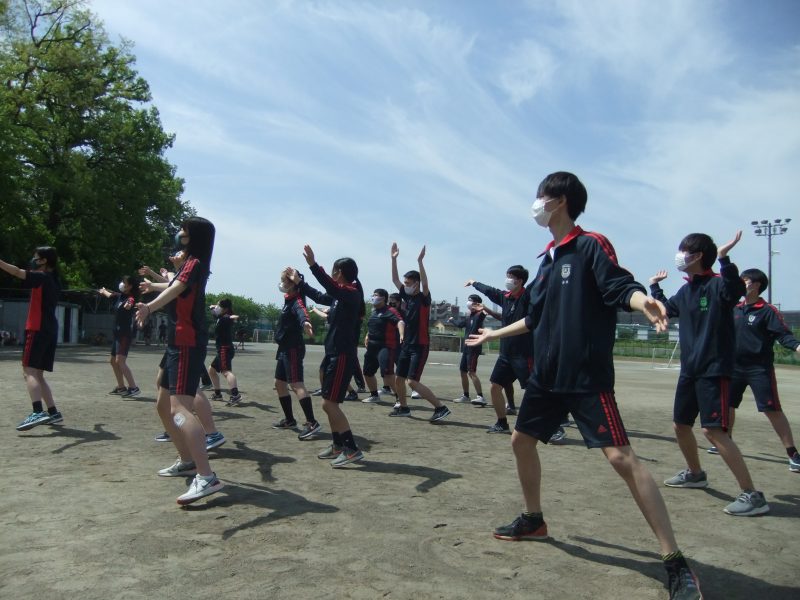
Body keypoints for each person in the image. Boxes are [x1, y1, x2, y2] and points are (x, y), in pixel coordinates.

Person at [467, 172, 701, 600]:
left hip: (585, 377)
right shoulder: (547, 260)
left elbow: (619, 285)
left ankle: (675, 562)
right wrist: (491, 335)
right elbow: (533, 318)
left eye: (540, 196)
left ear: (558, 200)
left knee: (621, 457)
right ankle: (534, 519)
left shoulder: (590, 243)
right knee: (521, 440)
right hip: (546, 377)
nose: (535, 203)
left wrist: (642, 301)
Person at [651, 233, 770, 517]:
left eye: (685, 251)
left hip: (714, 369)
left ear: (699, 255)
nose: (680, 255)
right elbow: (668, 310)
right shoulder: (687, 290)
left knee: (713, 431)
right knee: (680, 425)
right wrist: (655, 289)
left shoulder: (719, 285)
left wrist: (725, 257)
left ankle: (753, 495)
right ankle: (695, 473)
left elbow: (734, 289)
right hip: (690, 370)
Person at [135, 218, 223, 505]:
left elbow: (175, 289)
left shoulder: (195, 263)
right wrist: (153, 285)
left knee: (179, 409)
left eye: (184, 230)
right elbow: (172, 285)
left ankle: (206, 476)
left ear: (194, 236)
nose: (180, 233)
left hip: (186, 340)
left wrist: (149, 306)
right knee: (163, 402)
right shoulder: (189, 264)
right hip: (176, 341)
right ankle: (187, 460)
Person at [679, 267, 800, 471]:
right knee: (728, 406)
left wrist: (797, 346)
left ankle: (793, 453)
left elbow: (784, 335)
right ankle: (726, 441)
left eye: (746, 280)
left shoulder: (767, 310)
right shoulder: (734, 308)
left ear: (757, 285)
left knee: (772, 409)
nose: (742, 282)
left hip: (758, 368)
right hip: (731, 367)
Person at [289, 246, 365, 467]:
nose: (332, 275)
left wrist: (313, 265)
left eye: (333, 271)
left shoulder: (351, 293)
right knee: (327, 403)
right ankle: (338, 445)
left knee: (329, 404)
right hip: (333, 354)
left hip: (342, 355)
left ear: (340, 273)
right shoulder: (339, 296)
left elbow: (328, 286)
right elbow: (321, 294)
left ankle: (351, 448)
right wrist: (300, 283)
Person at [1, 247, 64, 432]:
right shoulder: (54, 280)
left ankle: (38, 411)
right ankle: (52, 412)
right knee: (38, 374)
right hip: (50, 329)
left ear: (44, 261)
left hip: (37, 328)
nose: (33, 259)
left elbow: (16, 271)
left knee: (28, 371)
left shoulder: (41, 277)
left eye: (36, 257)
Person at [389, 243, 451, 422]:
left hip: (420, 345)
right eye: (405, 283)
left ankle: (441, 408)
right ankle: (404, 407)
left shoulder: (423, 298)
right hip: (407, 344)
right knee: (399, 379)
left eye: (408, 283)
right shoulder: (406, 296)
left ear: (416, 284)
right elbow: (394, 279)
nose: (405, 285)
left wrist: (420, 262)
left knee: (411, 381)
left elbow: (425, 282)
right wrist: (393, 259)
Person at [273, 268, 320, 440]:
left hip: (293, 348)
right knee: (279, 383)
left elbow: (302, 312)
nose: (282, 284)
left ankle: (312, 422)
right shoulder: (288, 300)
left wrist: (306, 322)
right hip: (284, 348)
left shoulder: (297, 301)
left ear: (293, 283)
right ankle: (290, 420)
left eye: (285, 281)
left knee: (296, 384)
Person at [98, 276, 141, 398]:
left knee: (120, 361)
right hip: (117, 334)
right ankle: (121, 387)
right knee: (113, 361)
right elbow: (107, 294)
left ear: (130, 286)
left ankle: (133, 387)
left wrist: (129, 305)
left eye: (125, 283)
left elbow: (130, 303)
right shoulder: (119, 296)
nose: (122, 284)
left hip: (124, 334)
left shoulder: (131, 298)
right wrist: (102, 290)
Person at [362, 288, 405, 403]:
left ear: (383, 298)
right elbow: (373, 326)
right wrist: (367, 335)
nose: (373, 297)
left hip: (385, 346)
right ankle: (374, 395)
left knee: (387, 373)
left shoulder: (390, 310)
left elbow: (400, 322)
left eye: (376, 295)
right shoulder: (373, 311)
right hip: (372, 347)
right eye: (373, 295)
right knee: (367, 371)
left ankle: (399, 399)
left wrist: (401, 334)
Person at [448, 294, 486, 406]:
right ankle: (466, 395)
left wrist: (482, 308)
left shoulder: (479, 314)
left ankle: (481, 397)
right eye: (468, 300)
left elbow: (484, 313)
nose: (468, 302)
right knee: (463, 371)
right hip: (466, 348)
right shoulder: (470, 316)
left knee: (471, 372)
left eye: (470, 301)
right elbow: (460, 324)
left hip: (474, 348)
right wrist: (452, 320)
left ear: (476, 303)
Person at [208, 298, 242, 406]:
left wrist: (233, 317)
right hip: (223, 349)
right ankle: (218, 394)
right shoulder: (220, 317)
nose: (217, 308)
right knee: (212, 370)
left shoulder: (225, 318)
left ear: (225, 309)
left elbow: (232, 317)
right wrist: (213, 306)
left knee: (226, 372)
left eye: (219, 306)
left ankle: (235, 395)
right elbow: (214, 309)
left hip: (224, 349)